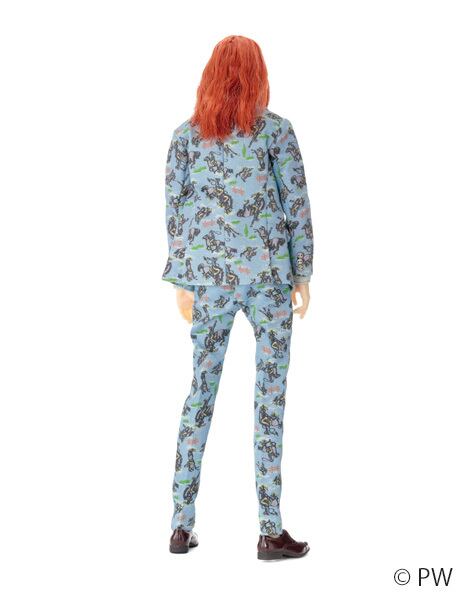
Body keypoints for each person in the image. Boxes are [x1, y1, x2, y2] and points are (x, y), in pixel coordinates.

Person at [162, 35, 312, 560]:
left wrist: (183, 280)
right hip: (269, 277)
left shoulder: (186, 137)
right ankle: (270, 531)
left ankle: (180, 527)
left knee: (200, 393)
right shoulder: (276, 132)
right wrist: (302, 274)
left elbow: (176, 213)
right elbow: (296, 205)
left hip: (210, 280)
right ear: (258, 74)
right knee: (270, 398)